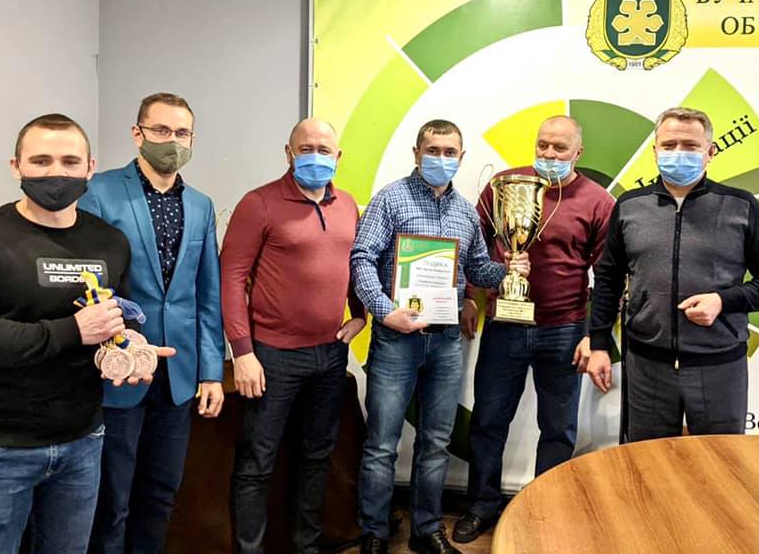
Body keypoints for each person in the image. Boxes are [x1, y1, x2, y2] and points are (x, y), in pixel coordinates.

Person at [0, 113, 172, 554]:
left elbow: (117, 314)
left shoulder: (110, 242)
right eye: (41, 161)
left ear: (90, 168)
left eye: (69, 162)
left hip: (83, 441)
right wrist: (73, 330)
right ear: (16, 166)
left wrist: (131, 346)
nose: (56, 173)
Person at [351, 119, 530, 554]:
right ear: (416, 153)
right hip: (396, 339)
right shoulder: (389, 199)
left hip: (446, 342)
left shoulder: (466, 212)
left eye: (450, 152)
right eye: (433, 150)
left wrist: (508, 269)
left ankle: (426, 529)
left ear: (461, 158)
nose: (441, 159)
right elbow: (361, 258)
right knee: (381, 444)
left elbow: (476, 269)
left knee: (436, 443)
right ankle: (374, 532)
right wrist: (385, 312)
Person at [453, 115, 615, 544]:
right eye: (543, 145)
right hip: (504, 324)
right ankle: (482, 505)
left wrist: (594, 334)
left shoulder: (598, 201)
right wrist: (470, 297)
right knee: (488, 421)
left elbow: (608, 274)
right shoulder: (504, 186)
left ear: (578, 153)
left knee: (558, 428)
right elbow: (473, 246)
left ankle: (547, 508)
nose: (549, 154)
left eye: (560, 148)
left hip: (565, 328)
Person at [587, 106, 759, 440]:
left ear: (710, 152)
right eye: (669, 145)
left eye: (690, 145)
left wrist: (723, 301)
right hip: (648, 367)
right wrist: (598, 344)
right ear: (655, 151)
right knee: (649, 461)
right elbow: (608, 278)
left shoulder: (741, 206)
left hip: (719, 366)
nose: (678, 153)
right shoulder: (629, 206)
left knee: (719, 462)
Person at [81, 93, 225, 554]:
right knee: (111, 499)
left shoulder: (201, 205)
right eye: (161, 130)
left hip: (177, 375)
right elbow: (87, 281)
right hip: (119, 371)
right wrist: (118, 339)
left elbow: (207, 294)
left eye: (181, 133)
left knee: (161, 494)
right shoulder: (100, 191)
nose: (172, 141)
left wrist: (211, 372)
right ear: (137, 133)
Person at [222, 118, 366, 554]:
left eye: (324, 150)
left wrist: (360, 315)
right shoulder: (258, 204)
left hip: (330, 354)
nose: (315, 157)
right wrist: (242, 352)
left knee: (317, 457)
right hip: (272, 358)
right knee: (257, 463)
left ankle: (307, 546)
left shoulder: (348, 205)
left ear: (338, 157)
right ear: (288, 153)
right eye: (306, 149)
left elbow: (354, 266)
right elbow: (231, 279)